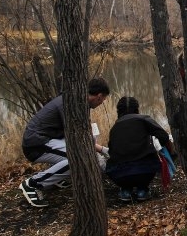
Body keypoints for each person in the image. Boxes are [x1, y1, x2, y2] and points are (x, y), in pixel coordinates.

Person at [19, 77, 111, 208]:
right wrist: (103, 150)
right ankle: (33, 184)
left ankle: (56, 178)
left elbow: (81, 135)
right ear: (99, 96)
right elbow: (78, 135)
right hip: (36, 143)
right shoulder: (70, 105)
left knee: (78, 153)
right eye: (103, 100)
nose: (102, 103)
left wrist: (101, 149)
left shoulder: (76, 101)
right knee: (76, 159)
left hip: (48, 139)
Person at [105, 96, 173, 202]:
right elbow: (164, 136)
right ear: (137, 109)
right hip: (145, 172)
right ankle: (142, 189)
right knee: (148, 159)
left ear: (119, 111)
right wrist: (160, 149)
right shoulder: (144, 119)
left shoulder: (115, 127)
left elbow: (111, 151)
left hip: (119, 176)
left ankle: (125, 190)